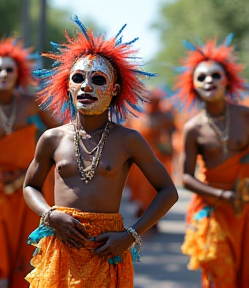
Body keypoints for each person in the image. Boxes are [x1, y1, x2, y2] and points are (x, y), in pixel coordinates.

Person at [23, 16, 178, 288]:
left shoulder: (128, 140)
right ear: (68, 87)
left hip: (107, 247)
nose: (86, 86)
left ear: (114, 89)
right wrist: (51, 215)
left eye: (98, 79)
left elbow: (168, 191)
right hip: (61, 242)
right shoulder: (52, 138)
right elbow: (30, 187)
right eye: (78, 78)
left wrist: (130, 235)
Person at [0, 36, 59, 288]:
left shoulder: (31, 104)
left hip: (29, 190)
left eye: (9, 69)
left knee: (27, 256)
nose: (3, 73)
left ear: (18, 74)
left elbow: (61, 135)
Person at [175, 35, 249, 287]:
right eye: (202, 77)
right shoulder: (193, 128)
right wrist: (220, 195)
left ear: (227, 80)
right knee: (220, 269)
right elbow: (185, 177)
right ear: (193, 85)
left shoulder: (245, 116)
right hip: (213, 208)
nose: (209, 81)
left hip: (245, 208)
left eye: (215, 75)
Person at [126, 88, 176, 230]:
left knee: (154, 188)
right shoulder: (137, 117)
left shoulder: (165, 117)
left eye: (153, 101)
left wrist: (168, 149)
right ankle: (142, 209)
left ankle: (153, 216)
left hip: (157, 158)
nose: (150, 104)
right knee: (139, 186)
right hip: (138, 161)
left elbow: (170, 135)